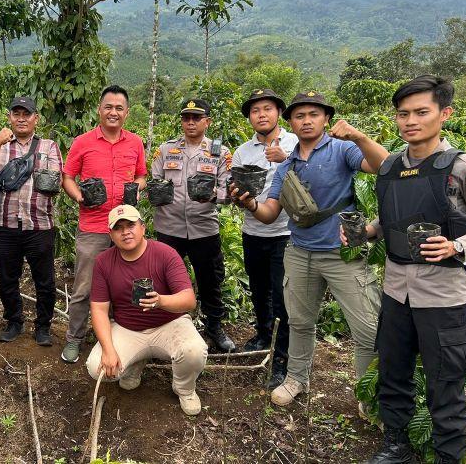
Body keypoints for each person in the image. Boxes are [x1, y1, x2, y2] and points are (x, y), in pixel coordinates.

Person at [234, 91, 388, 407]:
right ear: (291, 121)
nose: (306, 120)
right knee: (300, 322)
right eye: (300, 115)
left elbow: (383, 165)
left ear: (326, 119)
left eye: (313, 114)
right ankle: (296, 379)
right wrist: (250, 203)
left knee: (367, 329)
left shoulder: (342, 149)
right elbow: (269, 214)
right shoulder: (286, 165)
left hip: (341, 253)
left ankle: (369, 395)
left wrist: (359, 136)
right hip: (299, 252)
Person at [357, 76, 466, 464]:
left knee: (446, 383)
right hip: (395, 291)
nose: (410, 121)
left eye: (421, 112)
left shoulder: (459, 168)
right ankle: (396, 444)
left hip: (442, 295)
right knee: (393, 373)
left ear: (445, 114)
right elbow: (390, 219)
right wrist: (367, 232)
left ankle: (448, 455)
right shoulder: (389, 168)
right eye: (403, 114)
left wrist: (457, 245)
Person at [85, 205, 208, 415]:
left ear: (143, 227)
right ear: (111, 234)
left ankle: (184, 388)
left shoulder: (165, 254)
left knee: (193, 351)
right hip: (128, 329)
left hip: (169, 325)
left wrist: (161, 301)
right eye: (118, 228)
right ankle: (135, 363)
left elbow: (188, 300)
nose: (126, 232)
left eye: (131, 225)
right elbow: (98, 309)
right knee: (97, 367)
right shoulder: (104, 262)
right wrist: (108, 349)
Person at [61, 85, 147, 363]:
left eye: (119, 108)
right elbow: (68, 177)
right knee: (84, 287)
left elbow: (142, 175)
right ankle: (74, 337)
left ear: (127, 113)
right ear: (99, 110)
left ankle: (119, 337)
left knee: (126, 286)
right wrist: (80, 198)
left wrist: (136, 189)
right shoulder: (82, 142)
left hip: (126, 228)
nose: (113, 112)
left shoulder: (135, 142)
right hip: (93, 226)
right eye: (108, 107)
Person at [151, 98, 236, 352]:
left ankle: (214, 327)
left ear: (207, 122)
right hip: (169, 228)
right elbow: (155, 180)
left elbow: (228, 191)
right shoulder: (166, 150)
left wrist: (211, 196)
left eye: (196, 118)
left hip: (204, 229)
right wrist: (156, 193)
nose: (190, 122)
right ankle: (166, 325)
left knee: (210, 280)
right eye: (186, 118)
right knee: (165, 280)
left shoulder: (220, 153)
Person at [231, 89, 298, 387]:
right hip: (253, 230)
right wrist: (236, 197)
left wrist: (285, 159)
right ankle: (262, 333)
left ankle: (282, 356)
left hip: (285, 233)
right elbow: (235, 188)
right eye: (255, 110)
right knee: (258, 289)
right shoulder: (243, 151)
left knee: (282, 295)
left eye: (267, 108)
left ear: (278, 113)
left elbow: (309, 179)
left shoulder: (295, 144)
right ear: (249, 118)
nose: (261, 114)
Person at [0, 96, 62, 346]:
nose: (21, 118)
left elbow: (55, 180)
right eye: (16, 113)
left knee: (45, 280)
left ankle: (43, 326)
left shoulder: (49, 146)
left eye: (26, 114)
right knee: (7, 277)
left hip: (39, 224)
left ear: (35, 118)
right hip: (3, 223)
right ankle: (14, 321)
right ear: (9, 117)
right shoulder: (1, 146)